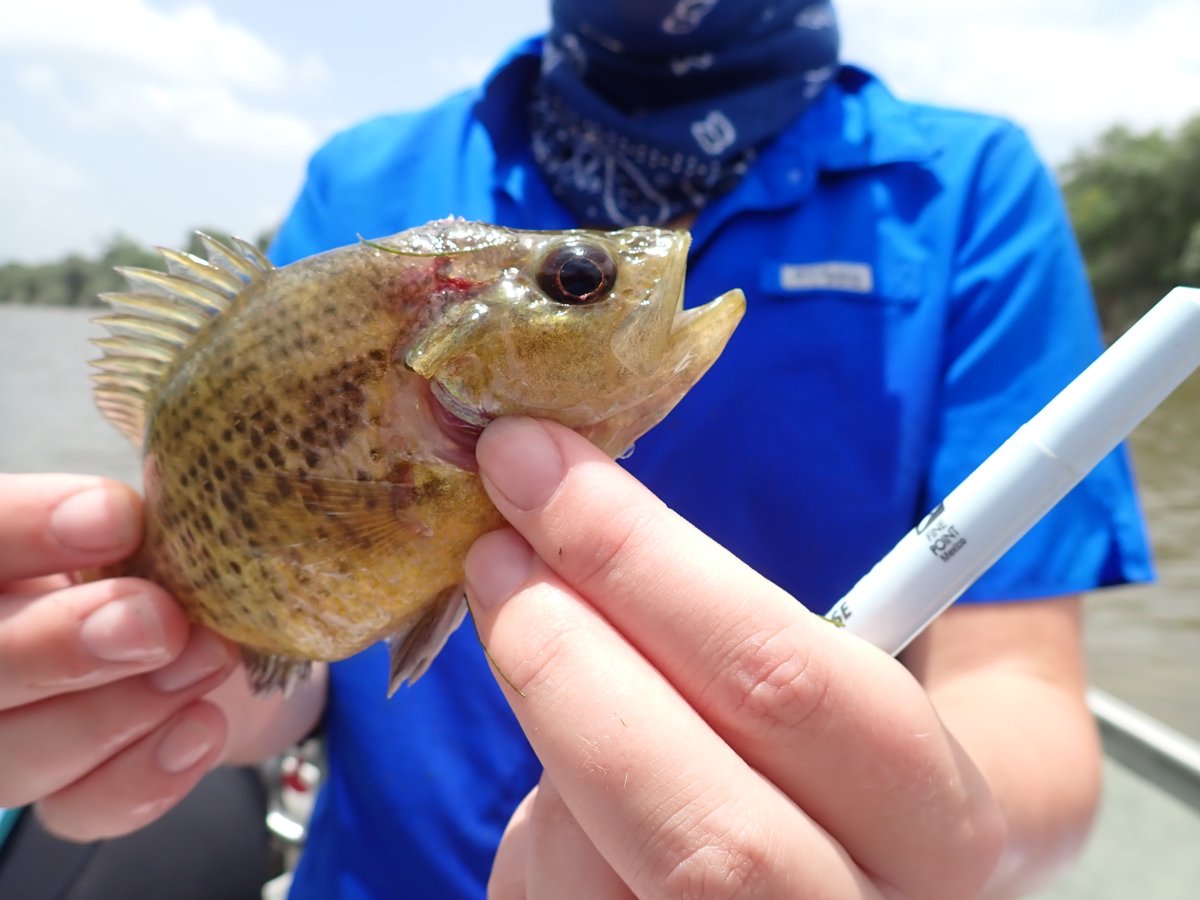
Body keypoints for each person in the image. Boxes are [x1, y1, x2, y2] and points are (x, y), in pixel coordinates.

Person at [0, 1, 1152, 898]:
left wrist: (909, 833)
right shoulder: (366, 181)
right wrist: (133, 683)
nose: (648, 265)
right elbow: (290, 670)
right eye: (579, 281)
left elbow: (1022, 692)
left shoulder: (969, 194)